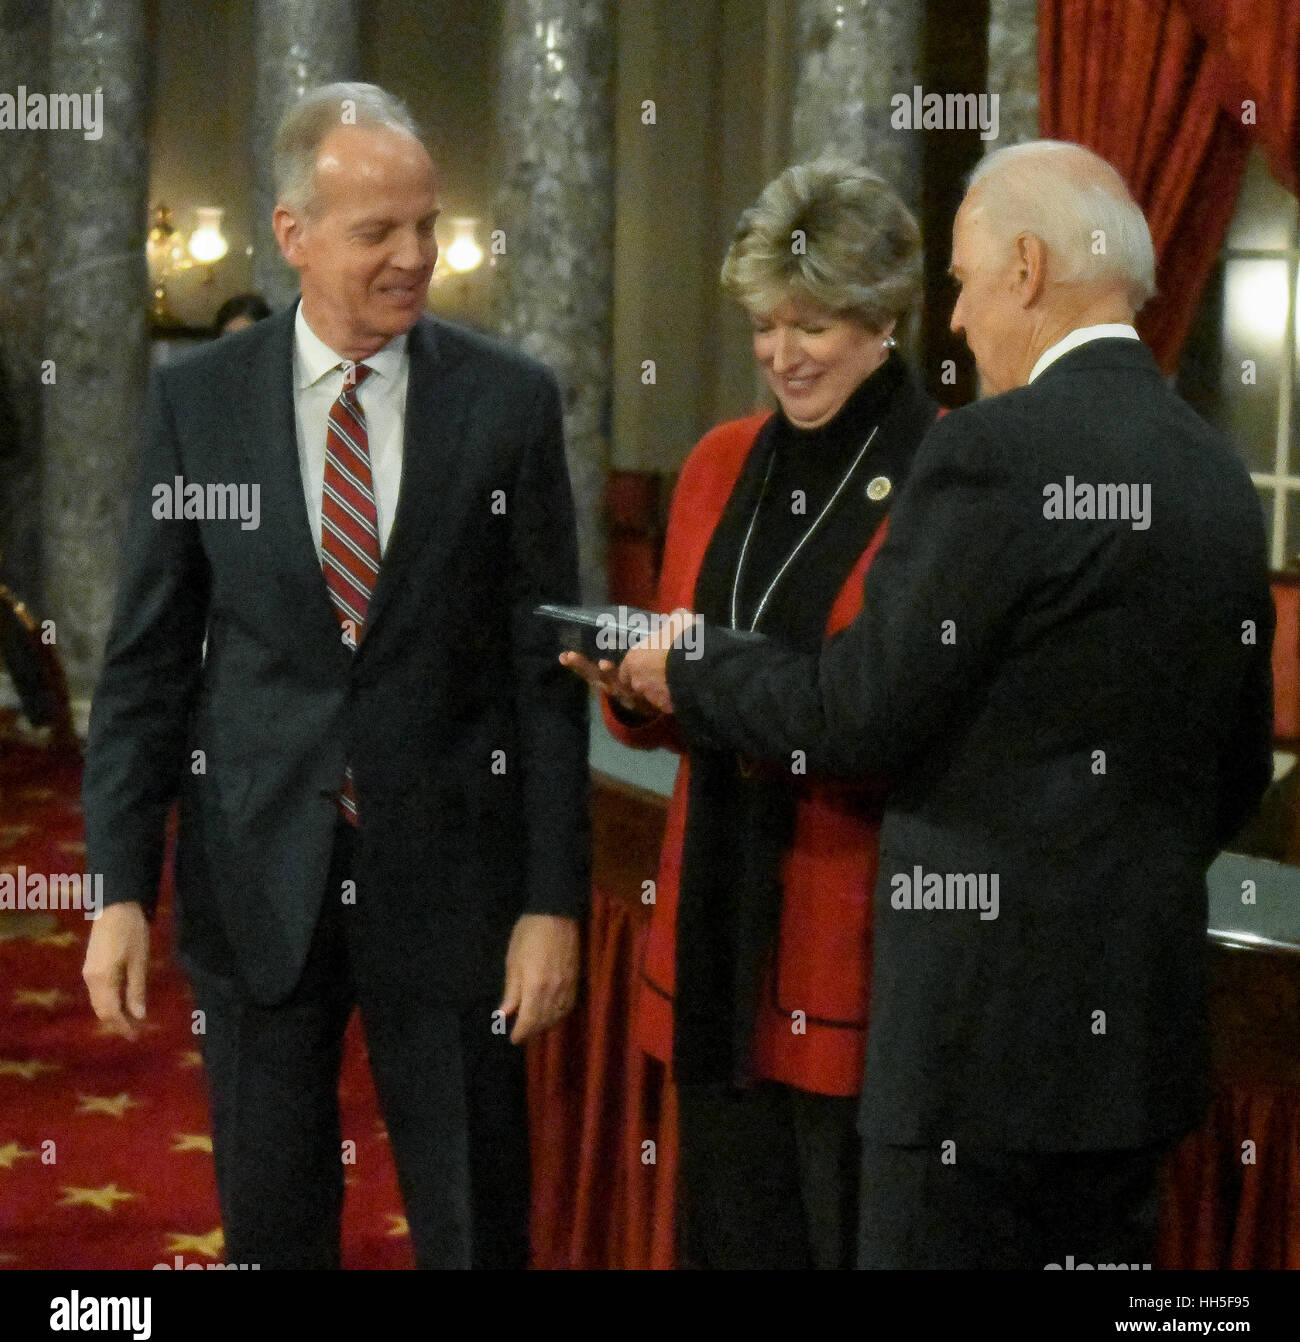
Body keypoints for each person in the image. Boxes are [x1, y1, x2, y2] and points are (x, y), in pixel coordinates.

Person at [621, 139, 1275, 1270]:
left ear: (1024, 267)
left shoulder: (988, 450)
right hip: (1133, 1054)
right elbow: (1232, 769)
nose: (960, 321)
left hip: (971, 1052)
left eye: (967, 284)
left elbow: (859, 714)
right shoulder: (1215, 467)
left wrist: (688, 669)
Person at [80, 82, 590, 1270]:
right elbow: (149, 662)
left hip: (457, 893)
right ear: (293, 233)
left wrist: (552, 901)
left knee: (474, 1225)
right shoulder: (196, 404)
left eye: (426, 225)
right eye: (377, 233)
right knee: (271, 1227)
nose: (415, 257)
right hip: (256, 880)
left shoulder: (508, 403)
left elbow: (545, 674)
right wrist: (115, 886)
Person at [564, 160, 937, 1268]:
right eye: (765, 324)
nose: (781, 354)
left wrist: (703, 678)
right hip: (712, 918)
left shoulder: (944, 470)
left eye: (811, 323)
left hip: (846, 930)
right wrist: (633, 691)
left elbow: (890, 719)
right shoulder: (720, 461)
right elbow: (693, 683)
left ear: (884, 319)